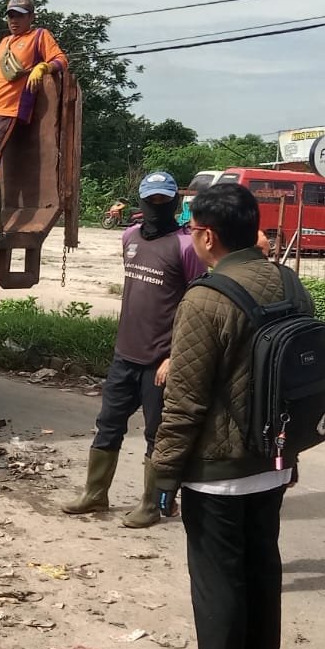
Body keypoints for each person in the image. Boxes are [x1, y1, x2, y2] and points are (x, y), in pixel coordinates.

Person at [147, 183, 314, 649]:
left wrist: (163, 473)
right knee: (262, 567)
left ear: (208, 235)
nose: (190, 237)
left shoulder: (207, 297)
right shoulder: (288, 283)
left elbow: (186, 400)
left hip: (219, 469)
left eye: (193, 228)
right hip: (274, 459)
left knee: (219, 580)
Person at [61, 171, 202, 528]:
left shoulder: (186, 247)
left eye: (163, 200)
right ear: (140, 199)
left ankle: (152, 504)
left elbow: (195, 306)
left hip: (160, 362)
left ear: (174, 202)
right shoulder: (129, 237)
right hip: (125, 354)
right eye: (150, 199)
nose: (157, 206)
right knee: (108, 425)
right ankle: (95, 494)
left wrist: (174, 356)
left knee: (158, 434)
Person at [0, 0, 67, 233]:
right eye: (10, 15)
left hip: (6, 110)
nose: (14, 20)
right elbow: (6, 72)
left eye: (19, 15)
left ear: (31, 16)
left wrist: (43, 67)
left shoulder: (39, 36)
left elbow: (61, 59)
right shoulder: (5, 42)